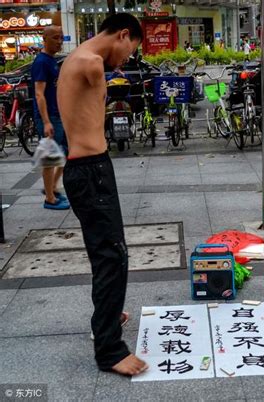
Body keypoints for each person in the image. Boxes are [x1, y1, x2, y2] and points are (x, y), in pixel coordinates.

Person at [57, 13, 148, 377]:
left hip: (89, 168)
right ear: (123, 34)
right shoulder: (90, 63)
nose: (126, 59)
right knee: (112, 256)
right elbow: (102, 74)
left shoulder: (75, 57)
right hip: (90, 171)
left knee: (107, 251)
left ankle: (107, 317)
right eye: (130, 50)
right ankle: (109, 350)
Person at [31, 25, 70, 210]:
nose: (59, 42)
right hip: (48, 117)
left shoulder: (52, 60)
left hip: (56, 114)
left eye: (61, 37)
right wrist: (46, 121)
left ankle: (52, 188)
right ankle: (49, 198)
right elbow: (39, 94)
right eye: (55, 38)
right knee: (50, 157)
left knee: (65, 153)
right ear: (44, 39)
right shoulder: (41, 62)